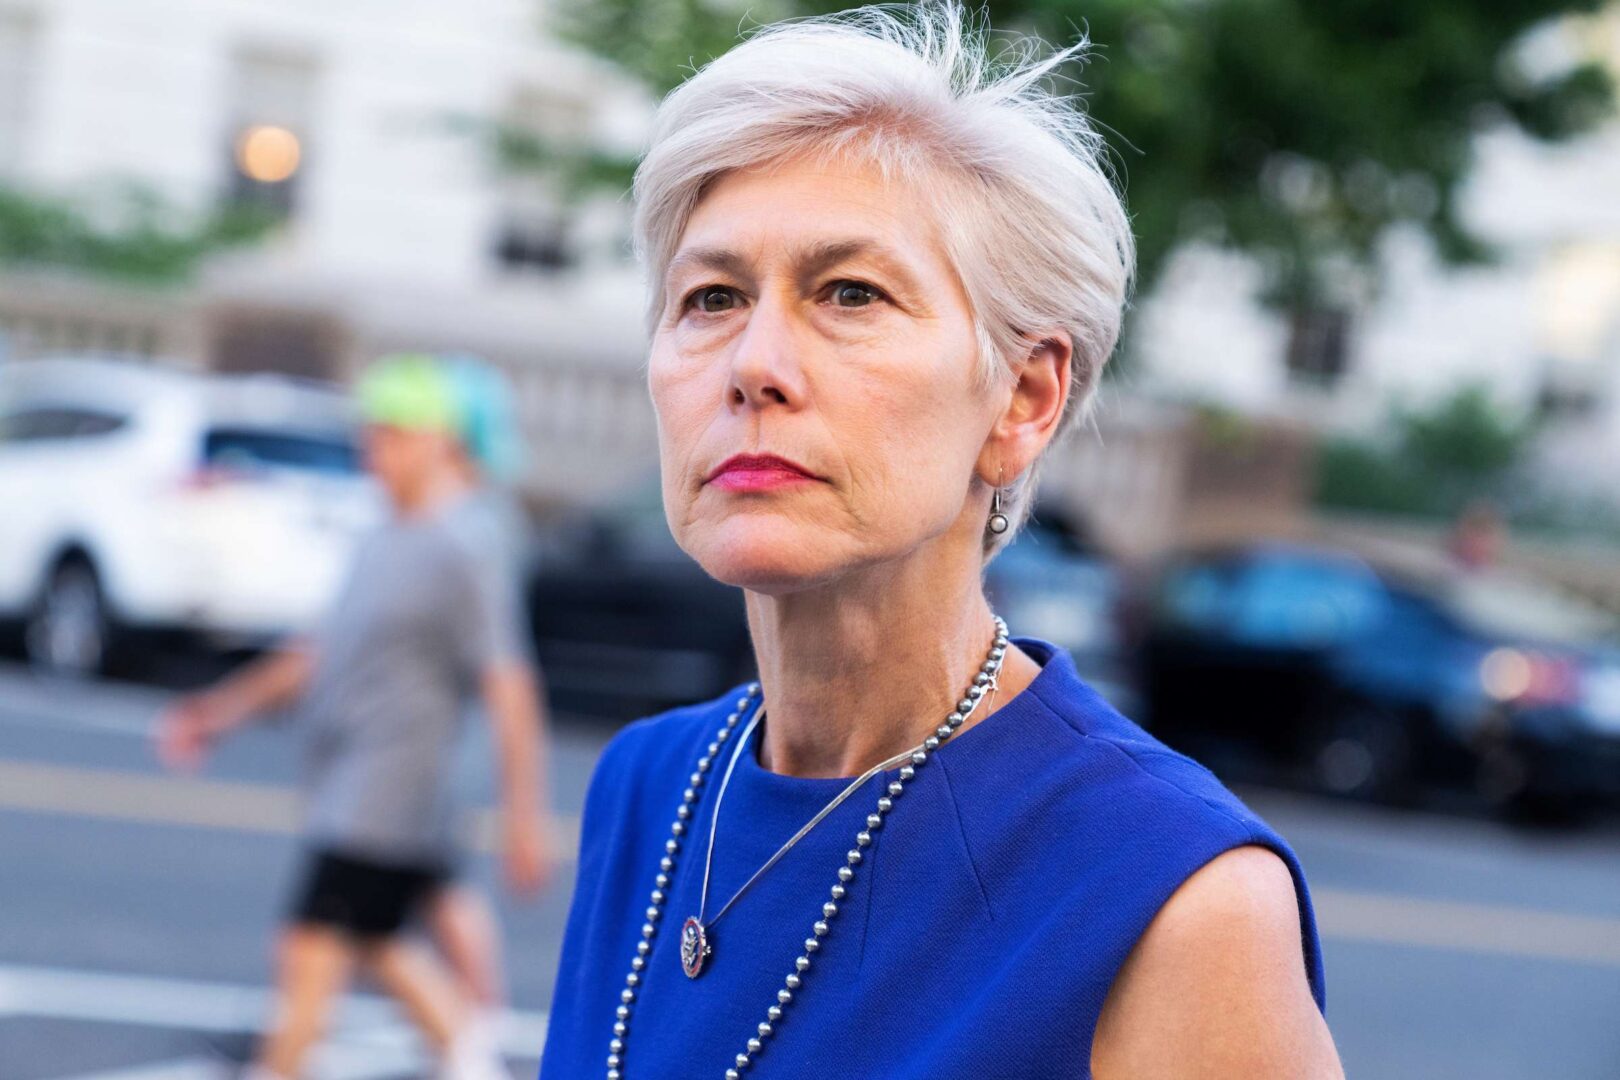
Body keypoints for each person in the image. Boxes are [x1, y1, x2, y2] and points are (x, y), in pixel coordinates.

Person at [538, 5, 1343, 1079]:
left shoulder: (1174, 897)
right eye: (712, 296)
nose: (755, 362)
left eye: (850, 293)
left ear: (1023, 397)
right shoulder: (648, 785)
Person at [157, 354, 556, 1080]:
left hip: (386, 799)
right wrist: (217, 711)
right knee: (374, 943)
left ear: (436, 440)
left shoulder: (461, 545)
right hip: (347, 784)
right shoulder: (380, 536)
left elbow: (509, 683)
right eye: (371, 436)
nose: (376, 452)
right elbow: (315, 654)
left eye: (393, 435)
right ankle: (472, 1062)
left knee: (313, 950)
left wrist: (524, 814)